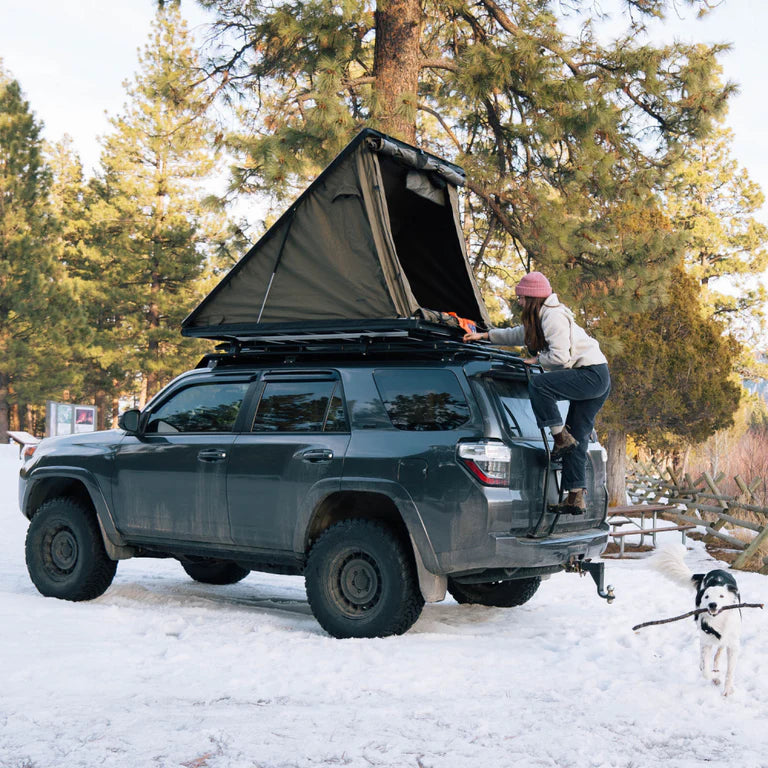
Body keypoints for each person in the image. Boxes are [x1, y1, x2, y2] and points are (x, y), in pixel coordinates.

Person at [463, 271, 610, 513]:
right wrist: (485, 336)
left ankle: (559, 437)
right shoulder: (542, 316)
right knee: (578, 437)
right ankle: (575, 496)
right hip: (598, 375)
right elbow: (518, 334)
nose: (518, 301)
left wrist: (537, 360)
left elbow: (560, 358)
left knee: (541, 385)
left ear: (532, 298)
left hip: (591, 374)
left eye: (521, 297)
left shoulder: (552, 317)